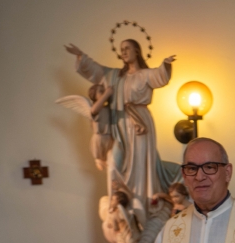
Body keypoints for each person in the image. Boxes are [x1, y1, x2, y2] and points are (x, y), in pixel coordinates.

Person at [65, 39, 182, 226]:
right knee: (113, 163)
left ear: (137, 50)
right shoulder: (114, 76)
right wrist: (81, 57)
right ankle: (116, 207)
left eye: (127, 48)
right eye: (121, 50)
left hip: (140, 123)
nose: (124, 52)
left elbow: (159, 76)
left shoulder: (144, 75)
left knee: (141, 163)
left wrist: (165, 65)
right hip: (119, 124)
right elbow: (97, 71)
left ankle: (144, 206)